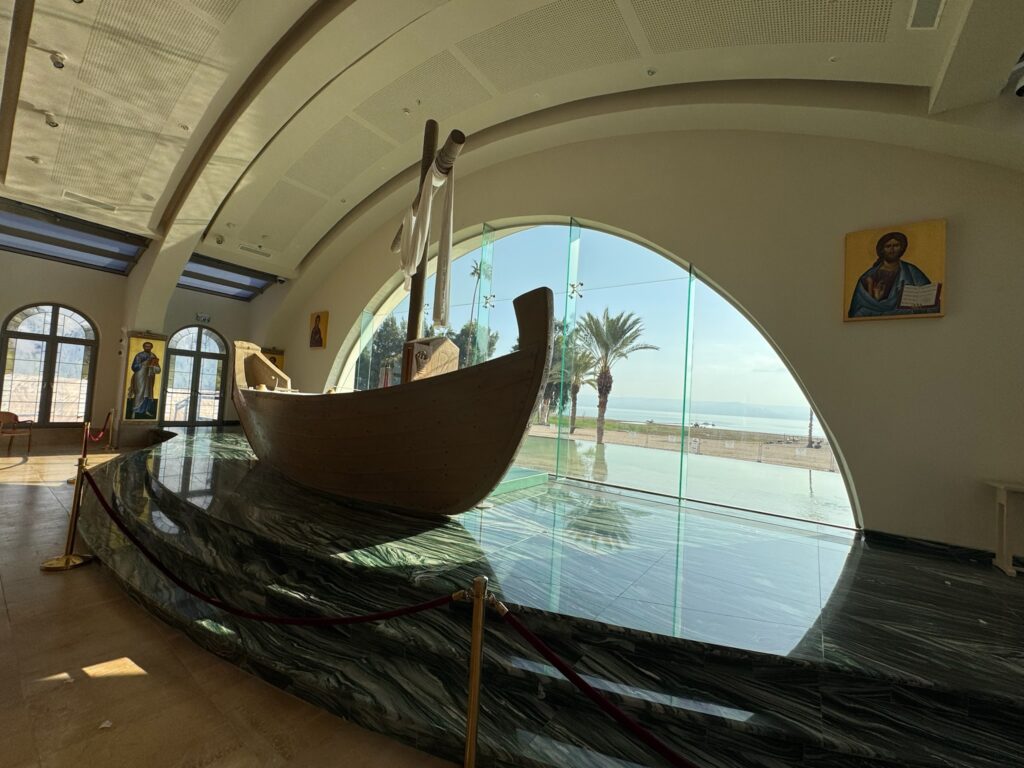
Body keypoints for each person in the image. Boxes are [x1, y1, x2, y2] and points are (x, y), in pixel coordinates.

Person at [848, 231, 937, 318]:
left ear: (902, 248)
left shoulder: (912, 271)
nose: (892, 249)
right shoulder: (868, 277)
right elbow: (857, 309)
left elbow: (930, 299)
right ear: (882, 250)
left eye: (896, 246)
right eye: (888, 246)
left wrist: (920, 306)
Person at [129, 342, 160, 419]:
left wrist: (154, 366)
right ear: (144, 347)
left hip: (149, 377)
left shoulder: (153, 356)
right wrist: (144, 364)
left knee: (148, 393)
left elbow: (158, 369)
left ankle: (146, 410)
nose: (147, 348)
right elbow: (134, 367)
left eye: (149, 346)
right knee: (140, 391)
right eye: (146, 346)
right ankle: (135, 411)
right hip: (140, 375)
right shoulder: (139, 355)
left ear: (151, 347)